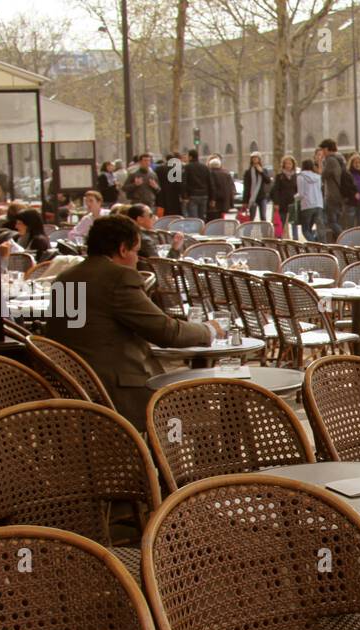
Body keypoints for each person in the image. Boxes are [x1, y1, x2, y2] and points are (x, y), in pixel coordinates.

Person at [46, 215, 221, 430]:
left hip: (73, 388)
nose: (137, 259)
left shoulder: (64, 278)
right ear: (122, 249)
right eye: (136, 251)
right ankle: (192, 460)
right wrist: (209, 330)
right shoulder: (118, 278)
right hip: (118, 391)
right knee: (210, 400)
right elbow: (166, 332)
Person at [318, 139, 347, 241]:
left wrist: (320, 161)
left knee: (331, 221)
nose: (321, 152)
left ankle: (344, 238)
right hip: (340, 194)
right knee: (337, 220)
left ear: (326, 149)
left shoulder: (330, 160)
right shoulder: (340, 158)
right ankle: (339, 240)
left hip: (332, 195)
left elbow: (322, 175)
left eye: (322, 149)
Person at [296, 158, 325, 241]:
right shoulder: (318, 177)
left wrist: (295, 198)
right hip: (318, 204)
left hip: (307, 205)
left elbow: (301, 194)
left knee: (305, 229)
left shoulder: (301, 177)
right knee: (317, 227)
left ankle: (313, 244)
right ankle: (320, 243)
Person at [271, 155, 299, 237]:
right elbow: (276, 190)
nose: (288, 165)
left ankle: (295, 239)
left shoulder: (296, 176)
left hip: (293, 202)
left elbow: (298, 189)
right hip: (282, 203)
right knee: (281, 222)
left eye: (290, 164)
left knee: (294, 224)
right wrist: (276, 203)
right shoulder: (279, 176)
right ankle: (279, 238)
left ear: (293, 165)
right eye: (286, 164)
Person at [183, 149, 211, 221]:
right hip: (204, 195)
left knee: (193, 219)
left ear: (191, 157)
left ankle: (195, 231)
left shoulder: (187, 167)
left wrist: (184, 196)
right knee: (202, 217)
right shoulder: (205, 167)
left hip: (193, 195)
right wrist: (212, 197)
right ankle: (202, 231)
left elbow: (184, 182)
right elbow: (210, 182)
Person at [243, 151, 271, 222]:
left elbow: (268, 181)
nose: (255, 160)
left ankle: (264, 232)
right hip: (252, 197)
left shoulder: (263, 170)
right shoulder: (248, 172)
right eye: (253, 158)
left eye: (256, 158)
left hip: (262, 196)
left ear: (259, 159)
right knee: (251, 217)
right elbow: (246, 187)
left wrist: (261, 172)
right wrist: (245, 201)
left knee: (263, 216)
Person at [206, 156, 233, 222]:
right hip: (225, 201)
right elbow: (230, 188)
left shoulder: (210, 173)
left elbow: (212, 187)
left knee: (213, 220)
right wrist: (231, 202)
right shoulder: (226, 174)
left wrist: (212, 199)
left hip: (215, 201)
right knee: (221, 218)